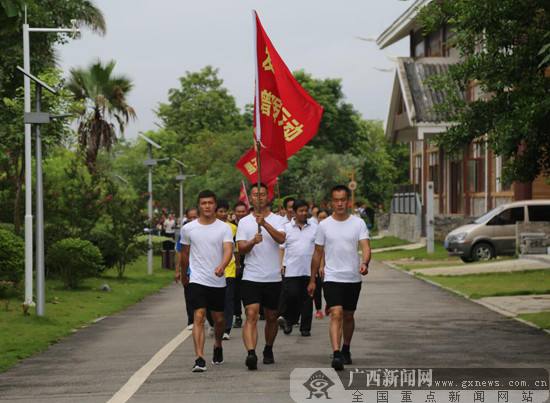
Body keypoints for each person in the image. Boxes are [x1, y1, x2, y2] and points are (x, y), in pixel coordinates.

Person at [308, 185, 371, 371]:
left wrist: (365, 263)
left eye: (343, 200)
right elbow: (317, 253)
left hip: (352, 277)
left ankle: (346, 348)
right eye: (336, 200)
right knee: (336, 314)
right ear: (331, 202)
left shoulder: (358, 223)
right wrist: (312, 280)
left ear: (348, 201)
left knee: (348, 315)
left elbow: (365, 247)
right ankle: (336, 354)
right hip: (332, 277)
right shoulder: (324, 225)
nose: (340, 203)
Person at [176, 190, 234, 372]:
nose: (207, 206)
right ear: (199, 205)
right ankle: (199, 358)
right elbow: (184, 254)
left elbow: (228, 250)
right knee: (199, 317)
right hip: (197, 279)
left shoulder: (224, 228)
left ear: (215, 205)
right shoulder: (188, 229)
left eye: (210, 203)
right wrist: (184, 274)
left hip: (217, 280)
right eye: (203, 203)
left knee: (219, 320)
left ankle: (217, 344)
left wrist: (222, 266)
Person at [236, 183, 286, 370]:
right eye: (255, 195)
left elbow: (282, 239)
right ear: (250, 197)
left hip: (272, 277)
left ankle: (268, 348)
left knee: (272, 316)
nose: (259, 198)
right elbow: (241, 249)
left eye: (263, 194)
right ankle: (251, 353)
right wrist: (252, 242)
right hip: (251, 276)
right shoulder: (244, 222)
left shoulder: (278, 219)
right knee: (251, 314)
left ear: (268, 197)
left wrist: (264, 224)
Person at [278, 199, 317, 337]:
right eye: (301, 211)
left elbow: (319, 249)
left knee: (307, 298)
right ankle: (290, 320)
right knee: (292, 296)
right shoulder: (286, 227)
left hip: (309, 269)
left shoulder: (314, 227)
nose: (304, 213)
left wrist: (321, 265)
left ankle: (305, 327)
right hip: (292, 269)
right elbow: (281, 247)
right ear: (294, 212)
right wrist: (281, 263)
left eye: (306, 210)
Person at [175, 207, 199, 329]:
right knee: (189, 296)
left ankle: (206, 319)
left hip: (202, 270)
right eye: (190, 217)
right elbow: (180, 252)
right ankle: (191, 320)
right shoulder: (184, 232)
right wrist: (177, 271)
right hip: (189, 270)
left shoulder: (204, 230)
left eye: (195, 217)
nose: (192, 219)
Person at [231, 201, 248, 329]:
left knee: (246, 291)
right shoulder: (230, 227)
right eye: (239, 211)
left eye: (243, 211)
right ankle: (237, 315)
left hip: (249, 262)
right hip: (234, 264)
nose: (241, 214)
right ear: (234, 213)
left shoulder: (251, 225)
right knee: (235, 292)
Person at [314, 208, 331, 319]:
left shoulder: (332, 230)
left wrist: (323, 265)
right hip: (317, 264)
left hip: (330, 264)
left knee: (328, 288)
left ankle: (329, 304)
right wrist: (319, 265)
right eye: (320, 218)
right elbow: (318, 251)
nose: (322, 220)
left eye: (325, 217)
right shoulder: (314, 230)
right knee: (317, 289)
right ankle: (318, 309)